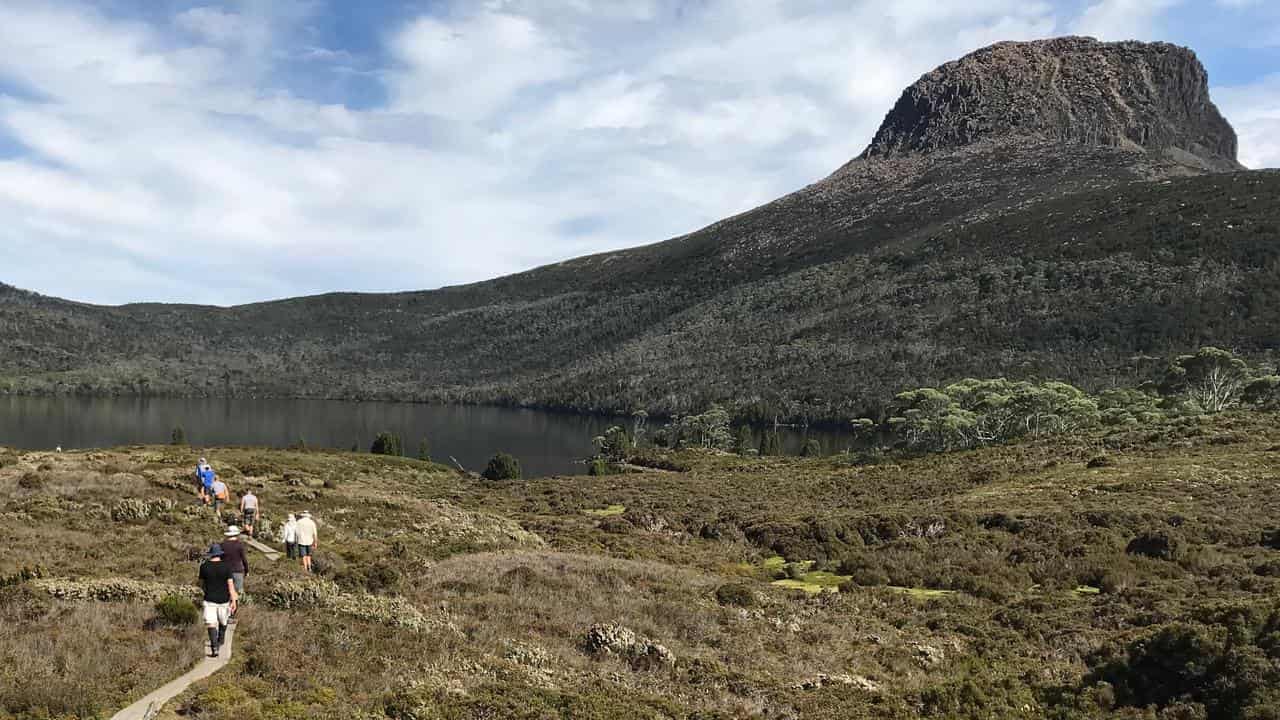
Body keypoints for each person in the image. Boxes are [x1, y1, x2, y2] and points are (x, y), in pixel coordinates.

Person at [198, 543, 237, 658]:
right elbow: (230, 586)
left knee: (211, 623)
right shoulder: (227, 567)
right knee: (223, 621)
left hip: (209, 599)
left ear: (211, 554)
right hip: (224, 600)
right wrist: (233, 600)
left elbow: (201, 584)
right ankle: (220, 640)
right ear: (220, 554)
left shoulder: (204, 566)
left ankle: (214, 647)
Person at [220, 526, 250, 614]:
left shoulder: (222, 545)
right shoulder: (239, 545)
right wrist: (247, 570)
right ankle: (233, 613)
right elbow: (244, 559)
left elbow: (220, 558)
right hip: (237, 571)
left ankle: (225, 613)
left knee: (226, 592)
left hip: (225, 571)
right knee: (236, 593)